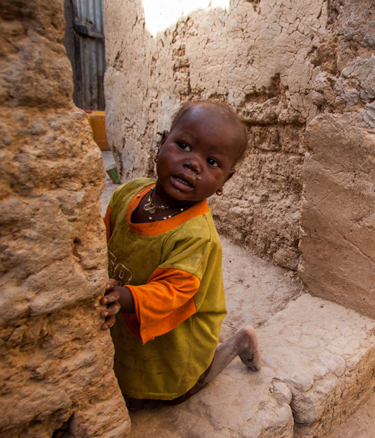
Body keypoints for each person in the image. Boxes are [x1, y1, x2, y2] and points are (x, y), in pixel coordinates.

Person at [99, 100, 260, 405]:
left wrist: (119, 297)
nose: (193, 164)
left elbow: (172, 291)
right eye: (184, 145)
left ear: (226, 180)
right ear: (162, 144)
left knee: (164, 391)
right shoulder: (126, 193)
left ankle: (237, 344)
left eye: (213, 162)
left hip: (179, 332)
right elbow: (100, 239)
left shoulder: (196, 235)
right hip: (128, 313)